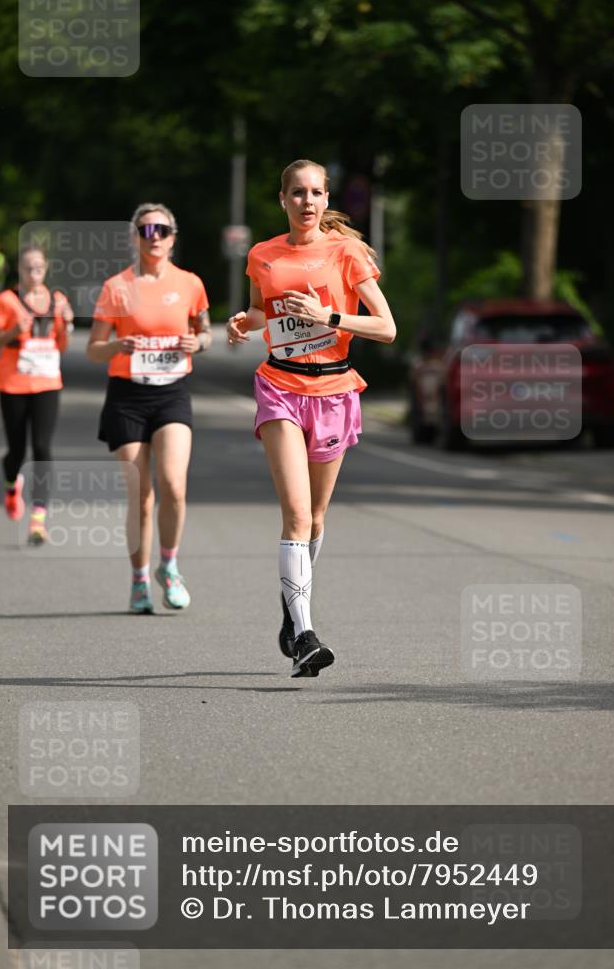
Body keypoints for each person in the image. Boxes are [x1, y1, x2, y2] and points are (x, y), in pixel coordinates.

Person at [227, 158, 396, 677]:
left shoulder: (347, 253)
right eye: (297, 193)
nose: (307, 202)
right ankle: (304, 634)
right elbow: (264, 311)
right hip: (279, 386)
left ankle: (289, 608)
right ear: (283, 200)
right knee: (297, 516)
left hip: (335, 390)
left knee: (317, 519)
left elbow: (387, 327)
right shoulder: (263, 255)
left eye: (316, 193)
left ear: (326, 200)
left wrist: (331, 317)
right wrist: (243, 321)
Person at [86, 203, 211, 614]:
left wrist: (199, 342)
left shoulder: (190, 283)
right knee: (141, 495)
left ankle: (169, 566)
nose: (153, 236)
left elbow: (205, 330)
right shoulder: (116, 287)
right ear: (135, 237)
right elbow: (92, 349)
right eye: (145, 230)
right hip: (127, 396)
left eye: (161, 229)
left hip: (172, 392)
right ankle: (139, 578)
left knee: (174, 484)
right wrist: (115, 346)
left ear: (173, 237)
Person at [0, 245, 73, 544]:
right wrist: (12, 332)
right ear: (19, 270)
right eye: (28, 268)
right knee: (16, 450)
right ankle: (12, 485)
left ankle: (38, 520)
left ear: (46, 268)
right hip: (13, 383)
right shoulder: (7, 301)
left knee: (42, 448)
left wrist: (69, 324)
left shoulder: (57, 300)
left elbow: (61, 345)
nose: (34, 273)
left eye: (38, 267)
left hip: (48, 383)